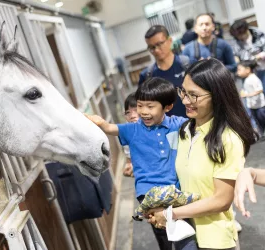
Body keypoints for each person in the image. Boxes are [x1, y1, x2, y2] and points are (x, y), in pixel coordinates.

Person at [147, 58, 257, 250]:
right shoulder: (184, 131)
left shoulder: (229, 139)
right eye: (183, 92)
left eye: (194, 95)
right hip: (184, 235)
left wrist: (171, 214)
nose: (185, 101)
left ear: (216, 96)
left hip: (215, 241)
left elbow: (221, 200)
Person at [85, 77, 197, 250]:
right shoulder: (133, 129)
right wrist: (96, 121)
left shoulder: (178, 125)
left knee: (184, 235)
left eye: (150, 106)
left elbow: (201, 127)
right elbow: (108, 127)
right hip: (149, 192)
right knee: (170, 231)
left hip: (175, 189)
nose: (143, 111)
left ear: (167, 107)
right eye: (140, 105)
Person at [139, 25, 190, 117]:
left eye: (159, 44)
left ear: (169, 41)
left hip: (194, 124)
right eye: (151, 47)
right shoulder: (146, 76)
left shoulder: (187, 65)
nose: (156, 50)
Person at [230, 19, 265, 90]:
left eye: (240, 34)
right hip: (248, 72)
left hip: (262, 67)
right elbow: (235, 55)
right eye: (237, 36)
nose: (239, 37)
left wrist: (258, 56)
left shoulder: (258, 34)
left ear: (246, 30)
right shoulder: (235, 41)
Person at [237, 60, 265, 136]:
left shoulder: (254, 79)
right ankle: (261, 135)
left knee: (262, 119)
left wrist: (247, 95)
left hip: (260, 106)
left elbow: (260, 90)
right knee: (257, 121)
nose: (237, 72)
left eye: (239, 70)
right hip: (252, 106)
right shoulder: (247, 80)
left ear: (248, 70)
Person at [123, 93, 138, 176]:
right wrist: (129, 166)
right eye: (128, 112)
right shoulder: (127, 133)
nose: (132, 116)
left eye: (136, 110)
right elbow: (129, 158)